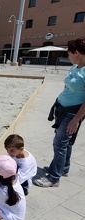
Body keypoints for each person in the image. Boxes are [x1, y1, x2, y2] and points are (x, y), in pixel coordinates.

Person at [34, 37, 85, 188]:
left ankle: (54, 178)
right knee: (65, 142)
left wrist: (76, 119)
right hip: (61, 108)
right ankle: (63, 169)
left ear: (76, 52)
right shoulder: (75, 67)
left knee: (59, 144)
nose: (68, 57)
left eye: (69, 53)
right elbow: (68, 87)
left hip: (72, 113)